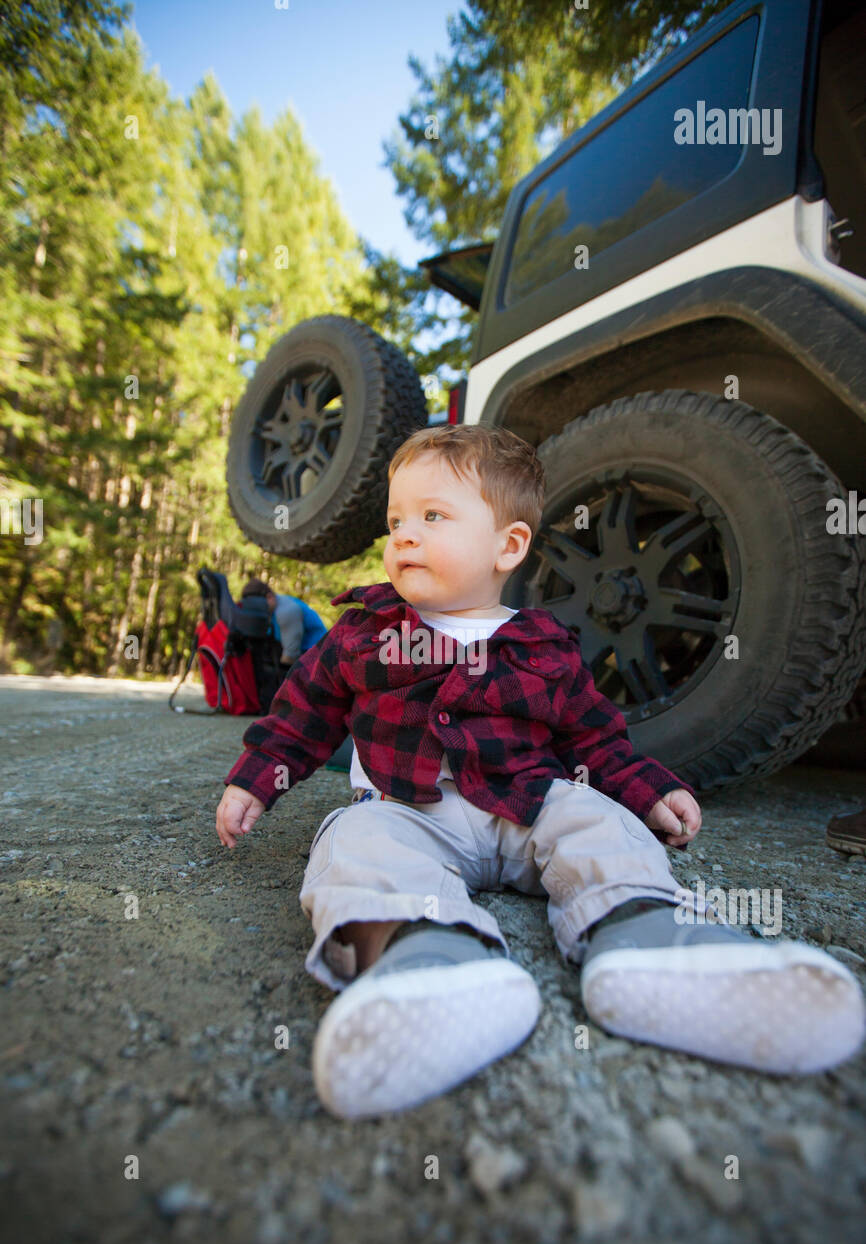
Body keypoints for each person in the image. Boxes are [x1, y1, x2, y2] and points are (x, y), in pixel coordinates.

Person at [217, 424, 865, 1120]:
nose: (404, 535)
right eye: (395, 520)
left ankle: (642, 933)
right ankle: (427, 960)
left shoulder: (543, 646)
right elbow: (301, 716)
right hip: (406, 809)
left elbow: (595, 737)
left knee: (595, 818)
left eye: (432, 517)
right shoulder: (364, 632)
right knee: (354, 842)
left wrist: (648, 790)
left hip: (524, 805)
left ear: (509, 546)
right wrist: (258, 777)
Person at [240, 579, 327, 667]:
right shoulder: (272, 609)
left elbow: (290, 658)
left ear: (270, 597)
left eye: (255, 605)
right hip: (303, 654)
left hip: (317, 658)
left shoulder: (286, 611)